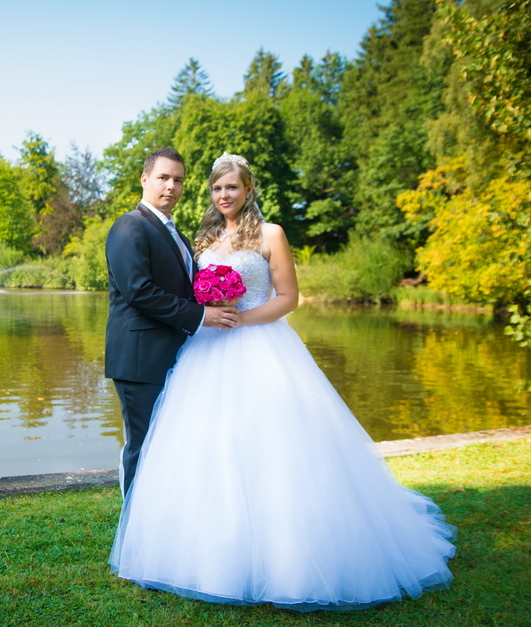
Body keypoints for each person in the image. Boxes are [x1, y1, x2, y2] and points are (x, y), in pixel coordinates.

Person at [109, 153, 456, 611]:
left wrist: (241, 318)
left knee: (276, 443)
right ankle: (188, 540)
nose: (223, 195)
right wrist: (207, 315)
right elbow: (152, 290)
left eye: (231, 187)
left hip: (259, 346)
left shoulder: (271, 234)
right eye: (216, 188)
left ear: (248, 190)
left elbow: (289, 297)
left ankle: (284, 549)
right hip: (205, 350)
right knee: (202, 446)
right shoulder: (201, 235)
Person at [105, 147, 239, 496]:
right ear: (145, 179)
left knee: (168, 446)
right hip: (139, 359)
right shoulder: (128, 226)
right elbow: (139, 291)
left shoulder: (177, 235)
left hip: (177, 355)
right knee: (144, 444)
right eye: (163, 178)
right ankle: (132, 525)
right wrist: (202, 315)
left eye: (178, 180)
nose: (171, 186)